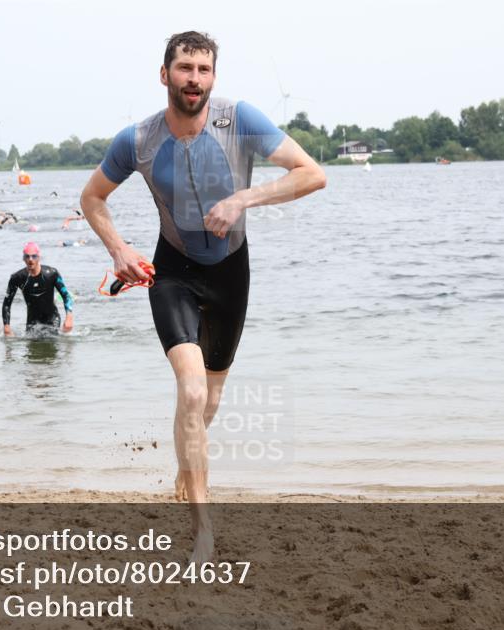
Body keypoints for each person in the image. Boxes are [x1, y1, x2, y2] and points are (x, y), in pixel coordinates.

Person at [80, 31, 326, 562]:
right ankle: (203, 529)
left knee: (209, 400)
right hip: (171, 272)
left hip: (230, 273)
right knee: (190, 392)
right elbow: (92, 197)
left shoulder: (241, 120)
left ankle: (185, 467)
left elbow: (313, 174)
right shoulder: (137, 141)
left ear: (213, 76)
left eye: (204, 70)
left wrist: (243, 198)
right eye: (185, 68)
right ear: (164, 74)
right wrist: (118, 249)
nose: (194, 79)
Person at [2, 242, 74, 335]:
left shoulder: (51, 273)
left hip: (52, 319)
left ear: (39, 257)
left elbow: (66, 296)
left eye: (34, 256)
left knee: (50, 345)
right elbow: (7, 303)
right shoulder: (17, 278)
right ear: (23, 258)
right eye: (27, 256)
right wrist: (6, 327)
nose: (30, 259)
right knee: (32, 348)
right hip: (32, 322)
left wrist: (69, 317)